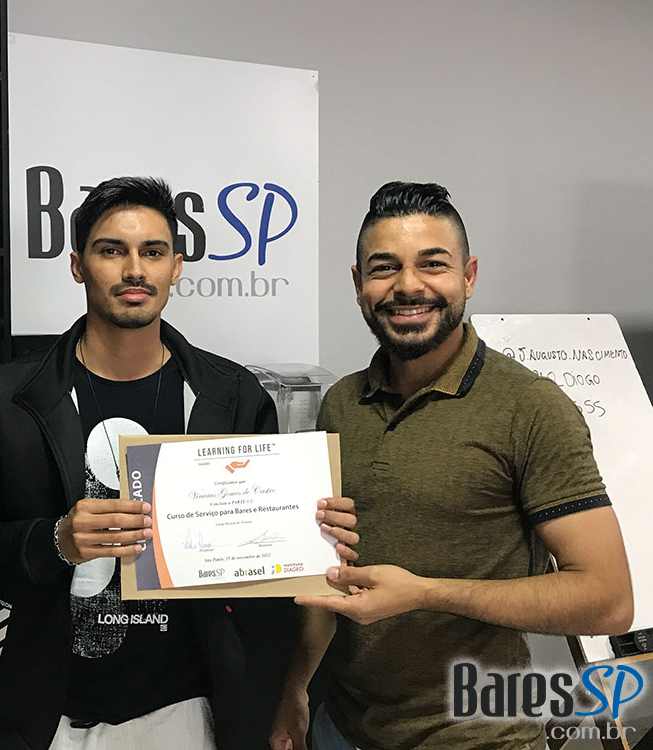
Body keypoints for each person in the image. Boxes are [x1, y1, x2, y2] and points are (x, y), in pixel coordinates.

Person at [0, 176, 359, 750]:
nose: (135, 270)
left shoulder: (232, 396)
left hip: (190, 706)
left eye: (153, 252)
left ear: (176, 267)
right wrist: (54, 541)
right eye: (112, 250)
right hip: (52, 714)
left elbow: (261, 572)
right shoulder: (9, 397)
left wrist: (311, 536)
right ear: (78, 265)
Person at [270, 181, 633, 750]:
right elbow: (329, 567)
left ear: (468, 276)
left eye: (432, 264)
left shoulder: (530, 407)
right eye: (384, 267)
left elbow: (608, 601)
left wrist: (426, 592)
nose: (408, 285)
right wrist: (296, 686)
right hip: (342, 728)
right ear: (359, 284)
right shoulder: (340, 402)